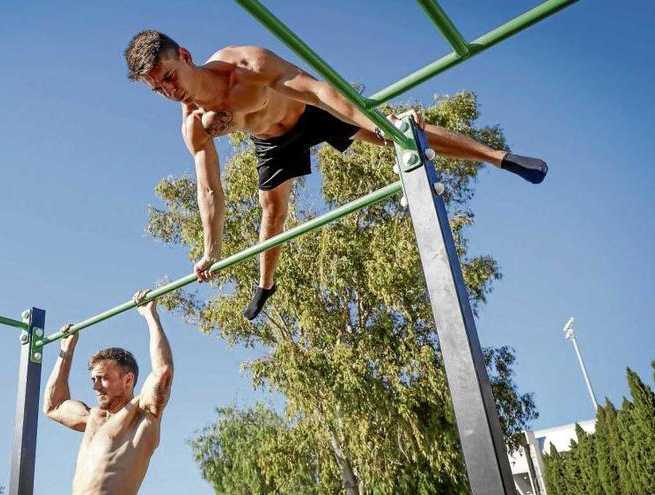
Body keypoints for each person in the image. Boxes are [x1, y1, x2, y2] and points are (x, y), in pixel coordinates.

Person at [124, 30, 548, 320]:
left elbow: (320, 90)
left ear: (184, 57)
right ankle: (265, 286)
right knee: (271, 214)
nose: (169, 90)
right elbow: (209, 188)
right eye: (157, 89)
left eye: (168, 77)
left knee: (400, 134)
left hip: (308, 113)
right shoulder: (194, 124)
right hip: (272, 143)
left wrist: (377, 122)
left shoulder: (248, 65)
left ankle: (500, 157)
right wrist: (210, 248)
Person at [43, 289, 173, 495]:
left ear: (128, 379)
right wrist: (66, 350)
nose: (96, 386)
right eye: (94, 379)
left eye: (103, 378)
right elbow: (54, 406)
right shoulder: (92, 417)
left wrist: (150, 315)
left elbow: (163, 372)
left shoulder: (142, 415)